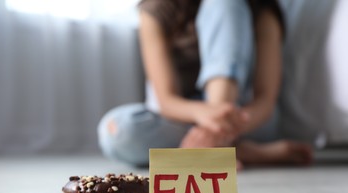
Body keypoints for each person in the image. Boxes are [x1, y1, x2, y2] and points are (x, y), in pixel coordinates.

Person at [97, 0, 313, 168]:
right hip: (187, 116)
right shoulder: (156, 9)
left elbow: (265, 101)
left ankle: (213, 147)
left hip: (247, 117)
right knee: (118, 130)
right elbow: (166, 100)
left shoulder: (264, 9)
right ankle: (239, 151)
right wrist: (206, 117)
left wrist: (219, 125)